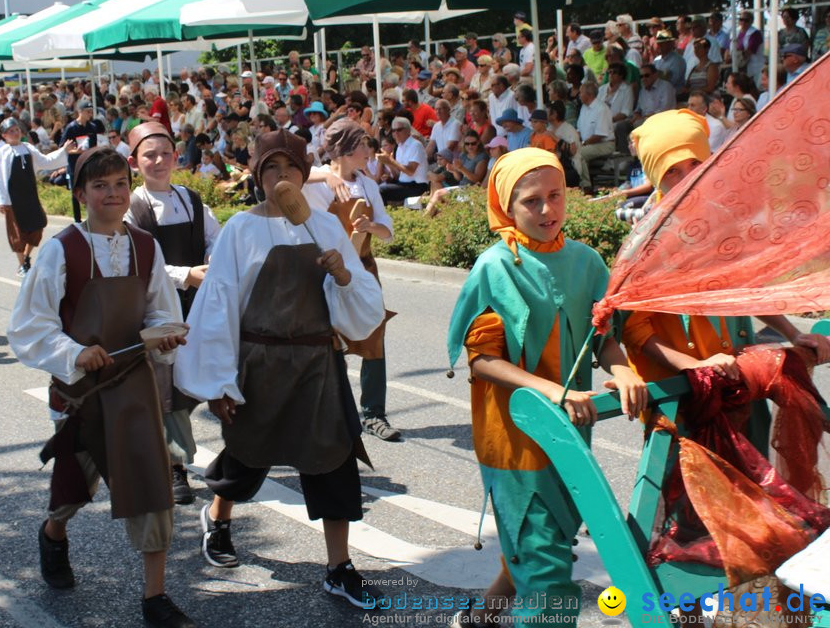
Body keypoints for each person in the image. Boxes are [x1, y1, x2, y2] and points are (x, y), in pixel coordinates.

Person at [174, 129, 384, 608]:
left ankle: (338, 567)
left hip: (316, 364)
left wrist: (345, 276)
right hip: (261, 363)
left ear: (304, 173)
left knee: (333, 462)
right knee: (247, 455)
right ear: (258, 176)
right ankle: (219, 517)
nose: (282, 176)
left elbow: (364, 309)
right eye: (272, 168)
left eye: (290, 168)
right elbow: (218, 307)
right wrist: (220, 381)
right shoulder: (240, 230)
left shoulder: (327, 228)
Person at [446, 150, 647, 626]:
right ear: (506, 207)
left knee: (544, 542)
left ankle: (479, 617)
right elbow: (485, 360)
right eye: (531, 201)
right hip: (513, 440)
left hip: (570, 435)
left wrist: (623, 370)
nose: (546, 211)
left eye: (554, 196)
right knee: (546, 570)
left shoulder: (587, 261)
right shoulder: (494, 268)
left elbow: (604, 339)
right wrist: (554, 392)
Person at [6, 146, 194, 628]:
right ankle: (53, 534)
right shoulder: (60, 249)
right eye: (99, 186)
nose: (110, 194)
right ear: (80, 193)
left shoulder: (145, 247)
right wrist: (74, 354)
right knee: (73, 490)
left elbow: (159, 308)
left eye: (117, 184)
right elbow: (30, 326)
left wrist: (163, 333)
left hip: (133, 387)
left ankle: (155, 598)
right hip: (82, 394)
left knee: (153, 490)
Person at [623, 109, 830, 453]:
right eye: (671, 170)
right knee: (692, 496)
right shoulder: (645, 242)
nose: (687, 178)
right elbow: (635, 330)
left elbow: (747, 291)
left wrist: (794, 333)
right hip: (682, 399)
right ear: (654, 177)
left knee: (755, 491)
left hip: (737, 386)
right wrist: (694, 366)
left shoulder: (723, 221)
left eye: (695, 165)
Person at [126, 122, 221, 507]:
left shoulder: (193, 200)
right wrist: (186, 275)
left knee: (206, 376)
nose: (159, 161)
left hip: (199, 305)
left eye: (165, 153)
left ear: (177, 157)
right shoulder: (132, 208)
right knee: (165, 388)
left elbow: (216, 237)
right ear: (134, 162)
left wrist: (213, 259)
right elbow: (136, 261)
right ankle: (175, 465)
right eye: (149, 155)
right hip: (157, 307)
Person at [303, 119, 400, 441]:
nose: (368, 150)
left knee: (374, 335)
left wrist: (372, 227)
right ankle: (334, 409)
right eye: (362, 144)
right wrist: (328, 176)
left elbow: (388, 230)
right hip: (326, 271)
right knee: (331, 340)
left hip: (364, 268)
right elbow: (291, 176)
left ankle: (374, 413)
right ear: (344, 149)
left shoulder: (368, 184)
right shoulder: (316, 182)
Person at [0, 117, 74, 276]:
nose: (15, 133)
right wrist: (1, 201)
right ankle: (22, 264)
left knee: (37, 226)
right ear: (4, 135)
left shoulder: (28, 147)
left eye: (16, 130)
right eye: (10, 131)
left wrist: (64, 150)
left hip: (29, 196)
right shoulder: (3, 152)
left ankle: (27, 258)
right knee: (17, 234)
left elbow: (45, 161)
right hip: (12, 199)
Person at [378, 117, 429, 205]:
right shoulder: (399, 147)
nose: (395, 133)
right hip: (404, 184)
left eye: (399, 130)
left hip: (417, 186)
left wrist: (391, 161)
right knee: (376, 188)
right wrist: (387, 163)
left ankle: (383, 217)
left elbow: (410, 171)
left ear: (408, 130)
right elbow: (399, 175)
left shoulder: (415, 145)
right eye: (393, 130)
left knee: (381, 190)